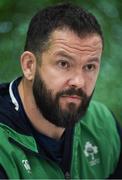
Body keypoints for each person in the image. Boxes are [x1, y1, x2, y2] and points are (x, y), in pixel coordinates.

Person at [0, 3, 121, 179]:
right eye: (63, 64)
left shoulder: (104, 126)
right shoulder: (4, 146)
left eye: (89, 66)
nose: (79, 82)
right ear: (29, 66)